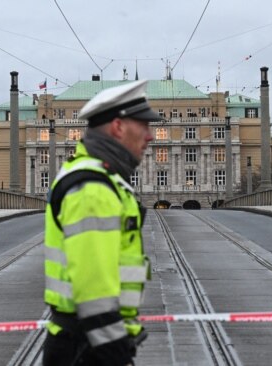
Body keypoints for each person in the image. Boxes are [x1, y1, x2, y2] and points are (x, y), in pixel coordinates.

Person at [43, 80, 160, 366]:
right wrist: (116, 355)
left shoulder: (102, 179)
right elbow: (94, 292)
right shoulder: (93, 190)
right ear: (118, 127)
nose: (151, 136)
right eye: (143, 126)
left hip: (88, 342)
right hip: (88, 347)